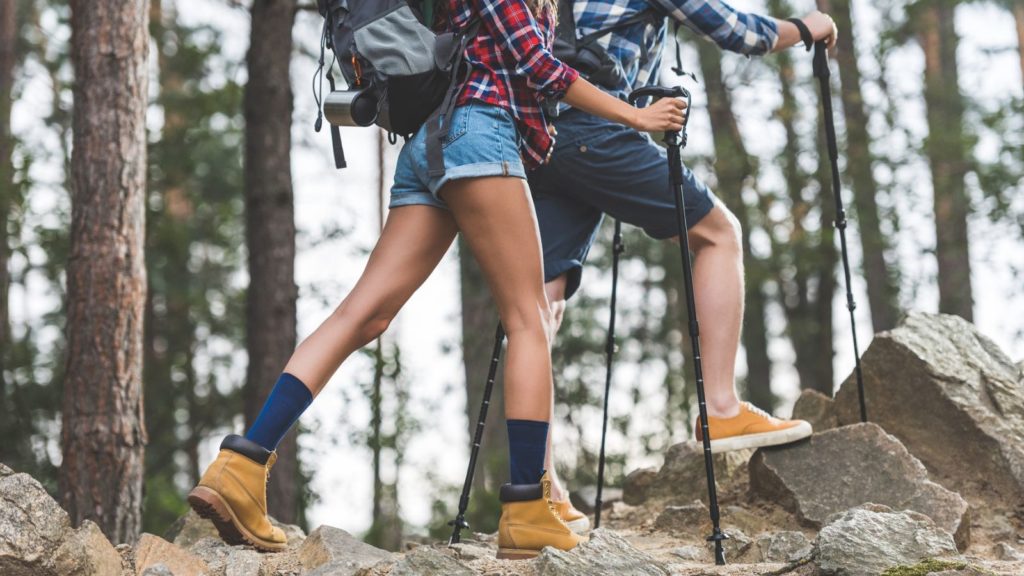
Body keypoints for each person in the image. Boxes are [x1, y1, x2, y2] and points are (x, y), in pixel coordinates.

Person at [186, 0, 685, 559]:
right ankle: (527, 509)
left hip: (431, 142)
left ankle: (242, 464)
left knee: (363, 313)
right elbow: (538, 67)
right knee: (530, 319)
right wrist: (634, 115)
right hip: (480, 134)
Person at [530, 0, 840, 529]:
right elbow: (736, 30)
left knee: (538, 304)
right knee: (719, 233)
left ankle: (539, 488)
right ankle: (720, 409)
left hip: (540, 132)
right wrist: (808, 28)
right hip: (598, 129)